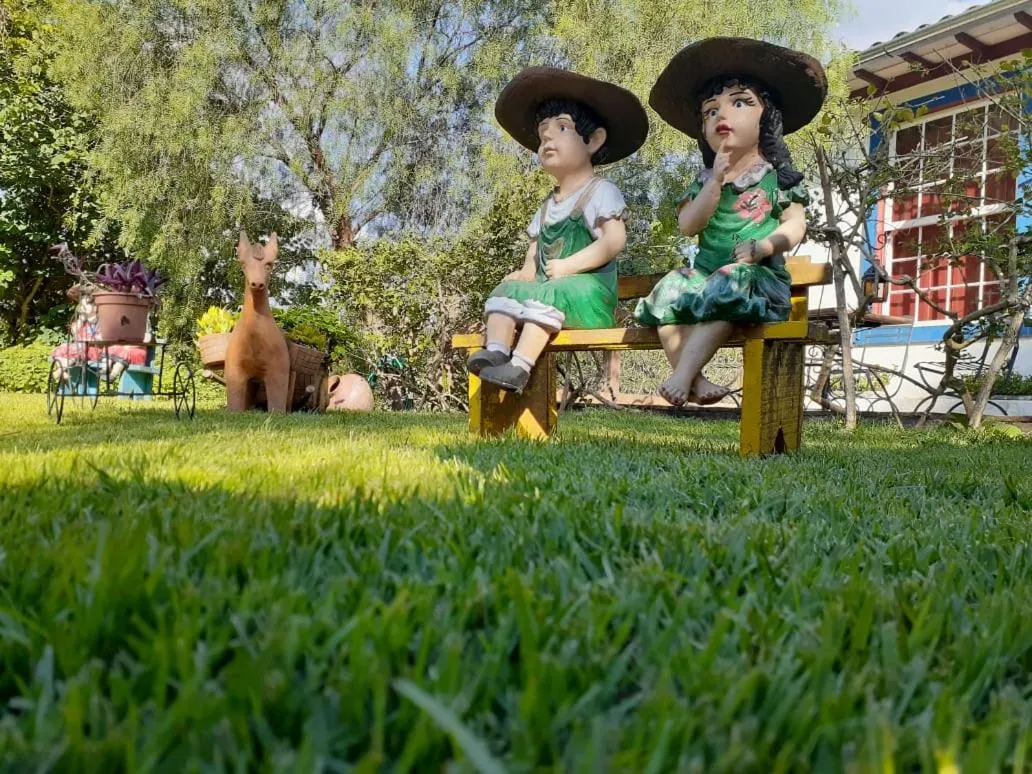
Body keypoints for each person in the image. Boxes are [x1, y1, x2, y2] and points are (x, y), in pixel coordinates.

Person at [633, 37, 827, 406]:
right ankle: (694, 378)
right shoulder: (704, 181)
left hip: (759, 282)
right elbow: (688, 226)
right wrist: (715, 184)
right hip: (705, 278)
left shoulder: (776, 178)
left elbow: (795, 225)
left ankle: (681, 377)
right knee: (672, 287)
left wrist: (764, 246)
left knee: (729, 280)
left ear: (766, 118)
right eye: (710, 111)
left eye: (739, 103)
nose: (721, 115)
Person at [467, 66, 648, 393]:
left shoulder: (600, 192)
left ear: (594, 140)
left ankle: (519, 367)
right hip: (549, 292)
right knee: (507, 290)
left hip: (590, 297)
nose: (548, 137)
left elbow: (614, 240)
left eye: (562, 127)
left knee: (550, 292)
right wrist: (524, 273)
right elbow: (534, 253)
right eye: (542, 132)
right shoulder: (547, 206)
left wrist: (569, 265)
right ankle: (497, 352)